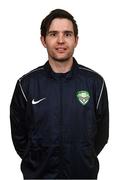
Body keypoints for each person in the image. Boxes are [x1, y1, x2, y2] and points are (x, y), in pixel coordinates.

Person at [10, 9, 109, 179]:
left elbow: (102, 135)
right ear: (43, 40)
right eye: (53, 34)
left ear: (76, 40)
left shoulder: (95, 83)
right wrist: (35, 160)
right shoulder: (26, 85)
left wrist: (83, 156)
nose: (61, 40)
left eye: (68, 34)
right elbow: (19, 135)